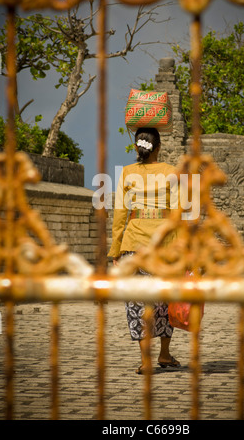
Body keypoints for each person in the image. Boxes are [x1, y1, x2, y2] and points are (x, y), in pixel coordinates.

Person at [108, 126, 181, 374]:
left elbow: (120, 214)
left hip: (134, 244)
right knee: (163, 301)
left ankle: (146, 360)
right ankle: (164, 354)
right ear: (158, 147)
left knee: (137, 303)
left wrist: (115, 250)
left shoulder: (128, 173)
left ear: (137, 148)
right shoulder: (171, 172)